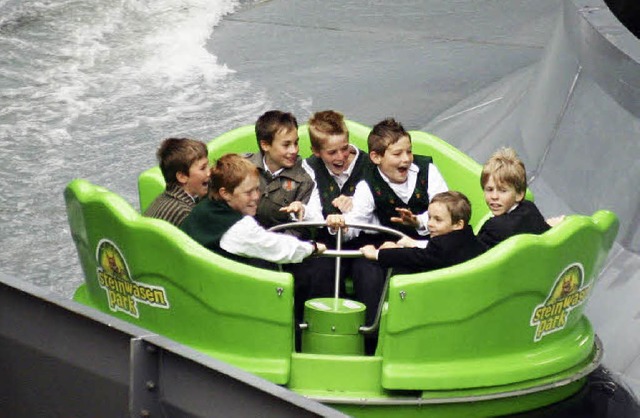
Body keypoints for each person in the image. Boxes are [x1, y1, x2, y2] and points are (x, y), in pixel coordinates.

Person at [325, 117, 448, 353]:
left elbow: (448, 210)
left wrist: (419, 221)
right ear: (376, 158)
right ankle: (371, 341)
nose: (406, 159)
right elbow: (355, 225)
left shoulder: (427, 171)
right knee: (366, 270)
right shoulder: (368, 184)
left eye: (409, 152)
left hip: (425, 245)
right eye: (397, 154)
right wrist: (338, 224)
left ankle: (424, 341)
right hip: (388, 248)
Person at [244, 110, 333, 327]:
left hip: (288, 247)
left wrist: (299, 211)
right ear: (265, 145)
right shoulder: (242, 167)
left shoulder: (305, 176)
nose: (294, 150)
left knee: (318, 270)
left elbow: (311, 221)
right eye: (286, 145)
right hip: (247, 244)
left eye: (296, 143)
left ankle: (301, 330)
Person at [180, 153, 326, 269]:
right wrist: (311, 248)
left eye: (257, 189)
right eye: (248, 192)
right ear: (225, 193)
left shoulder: (203, 208)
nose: (256, 197)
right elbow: (273, 247)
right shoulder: (236, 226)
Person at [360, 191, 486, 274]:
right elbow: (432, 251)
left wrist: (378, 253)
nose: (430, 223)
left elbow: (415, 257)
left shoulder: (442, 246)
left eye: (438, 220)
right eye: (430, 217)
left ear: (458, 224)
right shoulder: (470, 238)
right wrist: (413, 243)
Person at [476, 147, 556, 248]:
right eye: (489, 189)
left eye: (502, 191)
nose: (494, 196)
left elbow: (472, 256)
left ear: (519, 194)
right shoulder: (530, 208)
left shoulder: (493, 228)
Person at [144, 137, 210, 227]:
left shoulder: (164, 198)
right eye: (203, 168)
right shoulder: (184, 214)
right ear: (182, 177)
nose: (209, 172)